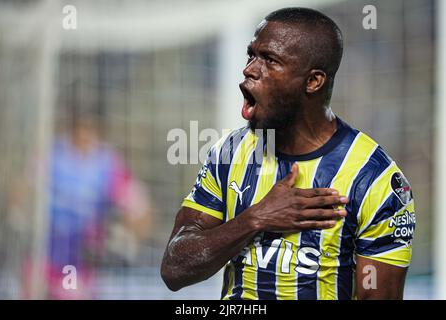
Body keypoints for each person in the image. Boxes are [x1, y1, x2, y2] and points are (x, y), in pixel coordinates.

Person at [161, 7, 415, 300]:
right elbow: (174, 268)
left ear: (313, 81)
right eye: (251, 55)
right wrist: (256, 219)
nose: (249, 69)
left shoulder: (374, 178)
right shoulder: (229, 154)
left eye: (269, 59)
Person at [17, 110, 152, 299]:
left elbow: (137, 206)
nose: (84, 135)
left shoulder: (107, 163)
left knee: (73, 292)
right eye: (79, 129)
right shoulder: (52, 156)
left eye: (89, 129)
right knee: (32, 287)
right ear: (71, 130)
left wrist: (128, 235)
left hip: (83, 249)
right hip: (47, 243)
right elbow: (22, 189)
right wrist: (19, 215)